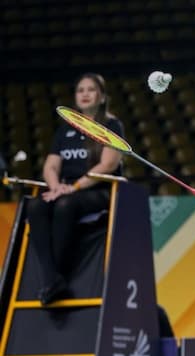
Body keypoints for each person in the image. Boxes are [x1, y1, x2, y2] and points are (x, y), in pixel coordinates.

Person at [27, 73, 123, 305]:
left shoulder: (112, 125)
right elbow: (50, 166)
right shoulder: (65, 130)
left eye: (91, 89)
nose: (85, 94)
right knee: (36, 205)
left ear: (102, 97)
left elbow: (108, 165)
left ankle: (52, 278)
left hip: (98, 190)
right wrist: (56, 187)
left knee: (64, 205)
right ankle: (52, 279)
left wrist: (75, 187)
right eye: (81, 90)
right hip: (67, 190)